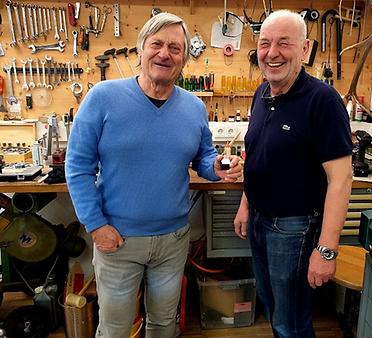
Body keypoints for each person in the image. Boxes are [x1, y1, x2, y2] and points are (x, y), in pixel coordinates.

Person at [65, 12, 242, 338]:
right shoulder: (102, 98)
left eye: (175, 48)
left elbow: (202, 157)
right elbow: (77, 168)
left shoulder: (194, 107)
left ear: (184, 58)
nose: (165, 53)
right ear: (140, 49)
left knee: (163, 324)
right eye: (156, 44)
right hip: (117, 240)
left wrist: (215, 167)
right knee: (115, 329)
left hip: (172, 242)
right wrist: (96, 225)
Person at [233, 10, 353, 338]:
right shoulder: (262, 93)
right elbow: (258, 156)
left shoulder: (323, 101)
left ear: (305, 48)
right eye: (265, 43)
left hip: (294, 229)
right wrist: (247, 203)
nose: (272, 53)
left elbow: (341, 180)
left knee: (292, 322)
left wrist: (327, 249)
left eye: (284, 43)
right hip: (260, 220)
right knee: (272, 306)